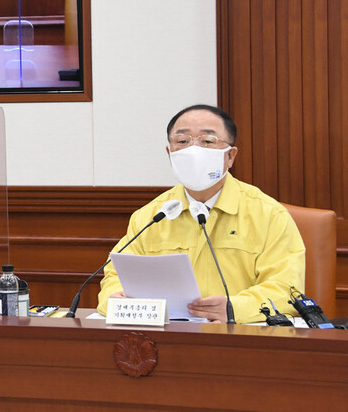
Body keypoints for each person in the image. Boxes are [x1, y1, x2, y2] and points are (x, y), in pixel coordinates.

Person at [97, 104, 305, 324]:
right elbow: (115, 276)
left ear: (230, 156)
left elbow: (286, 289)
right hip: (168, 340)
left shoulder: (268, 214)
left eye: (207, 141)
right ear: (170, 153)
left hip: (243, 338)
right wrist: (115, 297)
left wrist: (234, 309)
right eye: (183, 142)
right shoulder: (150, 216)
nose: (193, 150)